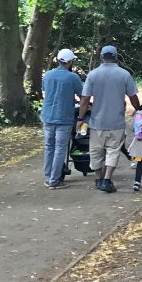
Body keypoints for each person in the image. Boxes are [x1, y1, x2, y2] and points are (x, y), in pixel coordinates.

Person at [78, 45, 140, 194]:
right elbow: (133, 97)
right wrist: (139, 109)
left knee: (96, 152)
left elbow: (85, 99)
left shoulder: (93, 75)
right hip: (116, 121)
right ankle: (107, 179)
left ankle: (99, 179)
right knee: (113, 151)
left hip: (97, 122)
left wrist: (80, 118)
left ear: (101, 57)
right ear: (116, 56)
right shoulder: (124, 74)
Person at [40, 48, 84, 189]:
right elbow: (83, 96)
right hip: (63, 117)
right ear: (70, 62)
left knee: (49, 147)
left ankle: (48, 176)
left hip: (47, 116)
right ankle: (54, 180)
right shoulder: (72, 77)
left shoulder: (47, 75)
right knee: (60, 148)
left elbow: (45, 91)